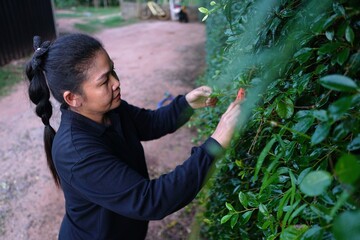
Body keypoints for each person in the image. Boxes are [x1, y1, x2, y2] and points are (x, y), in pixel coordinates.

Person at [26, 33, 241, 240]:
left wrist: (186, 104)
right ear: (72, 98)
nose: (116, 82)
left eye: (113, 70)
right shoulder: (76, 153)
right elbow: (150, 200)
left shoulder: (111, 109)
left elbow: (150, 123)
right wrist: (216, 143)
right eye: (103, 81)